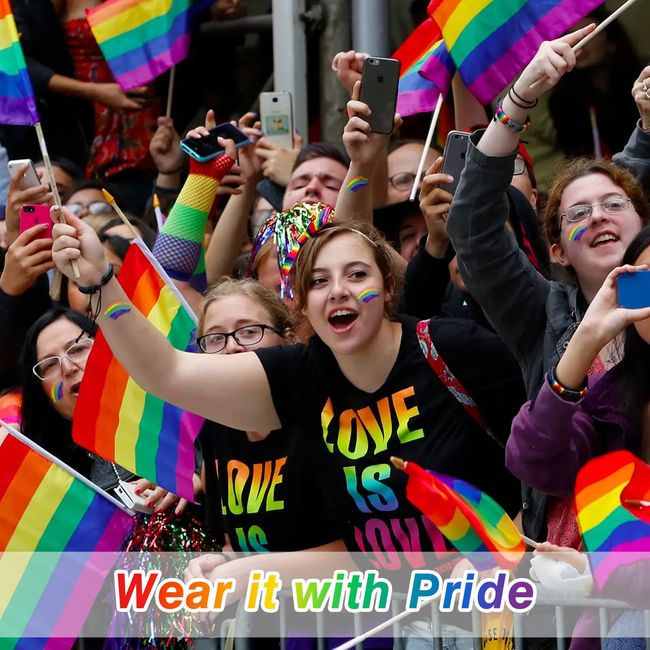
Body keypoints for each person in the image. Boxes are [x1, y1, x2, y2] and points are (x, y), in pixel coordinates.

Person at [51, 159, 524, 576]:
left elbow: (543, 459)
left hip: (494, 610)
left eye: (356, 274)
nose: (338, 289)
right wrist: (101, 281)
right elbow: (165, 373)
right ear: (301, 305)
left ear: (389, 287)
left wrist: (506, 556)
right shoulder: (299, 373)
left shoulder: (450, 347)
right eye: (318, 281)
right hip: (390, 618)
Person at [445, 25, 650, 544]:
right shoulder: (541, 312)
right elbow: (473, 227)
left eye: (614, 206)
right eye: (577, 214)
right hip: (576, 588)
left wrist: (646, 129)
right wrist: (520, 98)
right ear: (556, 251)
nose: (599, 217)